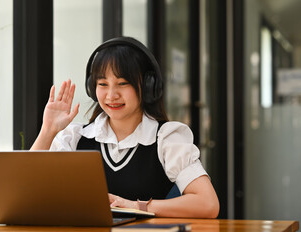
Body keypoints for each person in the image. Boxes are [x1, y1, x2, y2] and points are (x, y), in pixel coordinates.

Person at [31, 37, 219, 218]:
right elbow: (28, 193)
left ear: (147, 86)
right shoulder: (76, 137)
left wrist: (136, 206)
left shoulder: (166, 138)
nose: (111, 95)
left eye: (122, 83)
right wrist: (48, 131)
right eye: (102, 84)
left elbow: (208, 204)